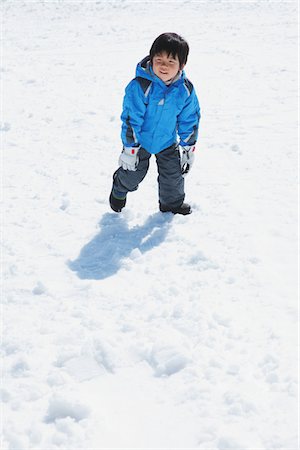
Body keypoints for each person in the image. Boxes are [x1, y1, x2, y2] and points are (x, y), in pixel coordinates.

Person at [109, 32, 201, 215]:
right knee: (133, 173)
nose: (163, 66)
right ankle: (119, 187)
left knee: (173, 177)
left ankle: (171, 204)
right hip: (140, 141)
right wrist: (129, 150)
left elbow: (189, 118)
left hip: (166, 141)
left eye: (170, 62)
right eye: (159, 60)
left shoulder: (185, 89)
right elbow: (130, 118)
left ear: (181, 66)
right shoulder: (141, 86)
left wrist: (188, 147)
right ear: (151, 59)